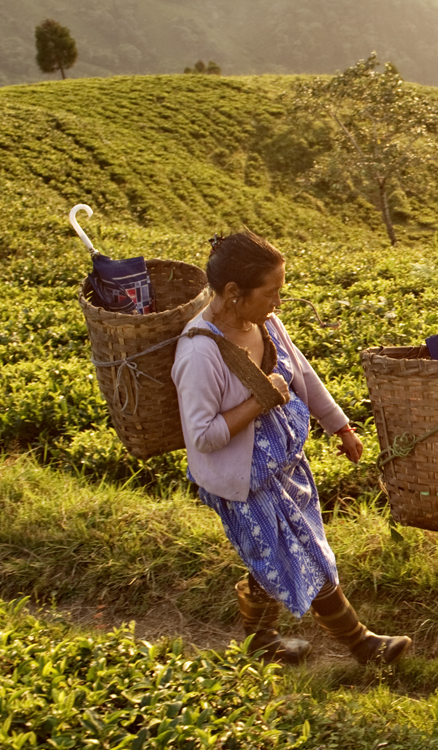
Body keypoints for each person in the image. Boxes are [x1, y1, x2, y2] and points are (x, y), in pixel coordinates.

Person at [172, 231, 411, 666]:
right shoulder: (199, 354)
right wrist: (260, 400)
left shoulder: (266, 323)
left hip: (285, 468)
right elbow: (203, 436)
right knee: (303, 553)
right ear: (232, 292)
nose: (279, 301)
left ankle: (260, 642)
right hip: (245, 483)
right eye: (272, 291)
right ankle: (362, 644)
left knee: (271, 556)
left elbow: (302, 375)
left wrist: (339, 426)